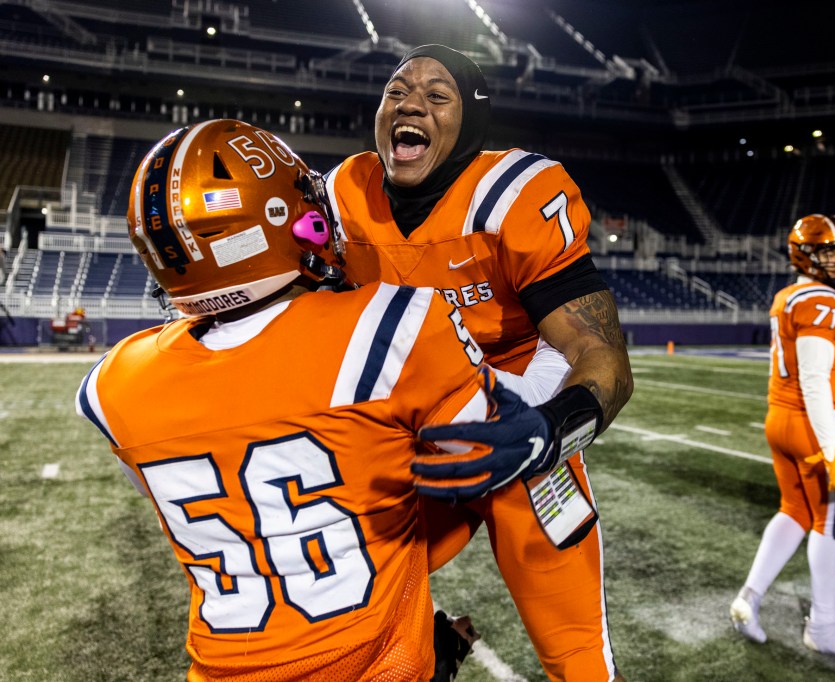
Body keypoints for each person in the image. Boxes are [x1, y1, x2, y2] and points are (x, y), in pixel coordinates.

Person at [75, 119, 498, 680]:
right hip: (371, 665)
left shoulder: (112, 383)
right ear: (281, 223)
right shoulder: (391, 324)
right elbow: (494, 466)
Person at [324, 44, 633, 681]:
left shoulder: (513, 194)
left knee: (579, 659)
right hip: (407, 435)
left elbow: (602, 358)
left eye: (438, 96)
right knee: (330, 593)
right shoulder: (341, 195)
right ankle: (426, 657)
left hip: (522, 422)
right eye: (397, 91)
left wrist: (547, 430)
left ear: (471, 122)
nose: (411, 103)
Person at [730, 214, 835, 660]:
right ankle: (825, 628)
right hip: (815, 422)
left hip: (781, 418)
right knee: (832, 524)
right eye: (829, 251)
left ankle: (749, 598)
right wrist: (834, 450)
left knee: (795, 510)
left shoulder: (789, 295)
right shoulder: (822, 300)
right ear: (806, 254)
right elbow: (814, 380)